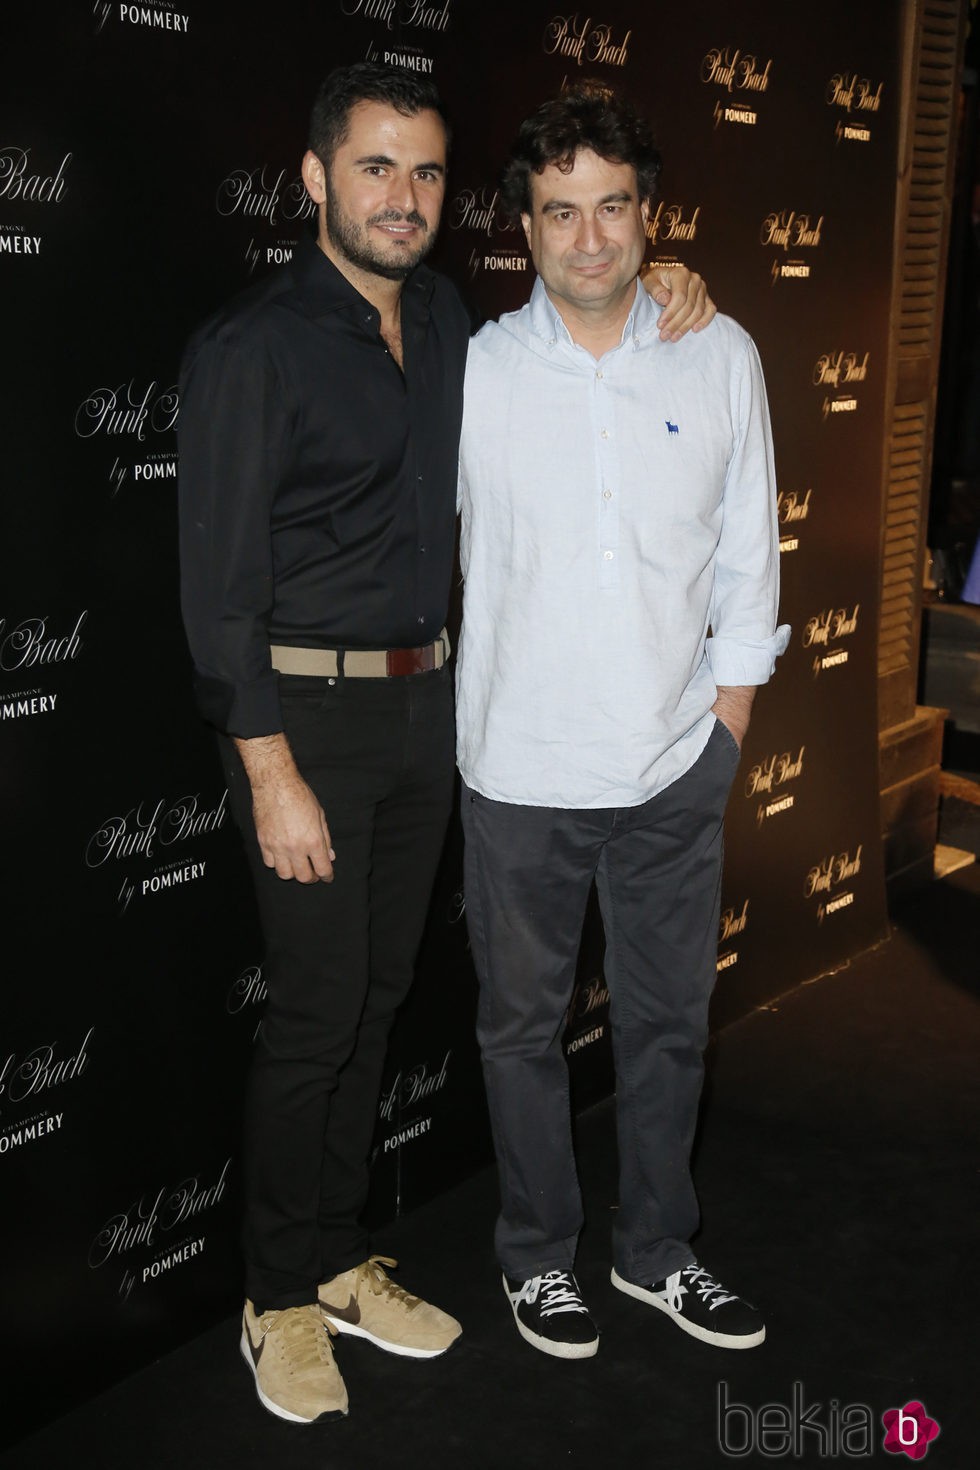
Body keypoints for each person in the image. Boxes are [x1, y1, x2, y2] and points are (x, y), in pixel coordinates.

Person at [178, 63, 714, 1424]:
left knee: (373, 998)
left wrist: (674, 286)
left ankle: (339, 1251)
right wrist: (270, 766)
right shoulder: (253, 346)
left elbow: (589, 319)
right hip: (306, 723)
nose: (404, 197)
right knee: (311, 1017)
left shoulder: (449, 322)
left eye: (424, 174)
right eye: (375, 169)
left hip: (431, 715)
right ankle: (275, 1299)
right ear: (315, 180)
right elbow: (216, 591)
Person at [455, 81, 791, 1361]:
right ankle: (536, 1258)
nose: (588, 239)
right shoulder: (475, 369)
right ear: (523, 230)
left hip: (670, 770)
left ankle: (656, 1251)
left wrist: (727, 729)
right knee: (518, 1034)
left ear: (648, 214)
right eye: (559, 213)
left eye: (611, 208)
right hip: (516, 774)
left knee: (664, 1027)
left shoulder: (720, 352)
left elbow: (747, 556)